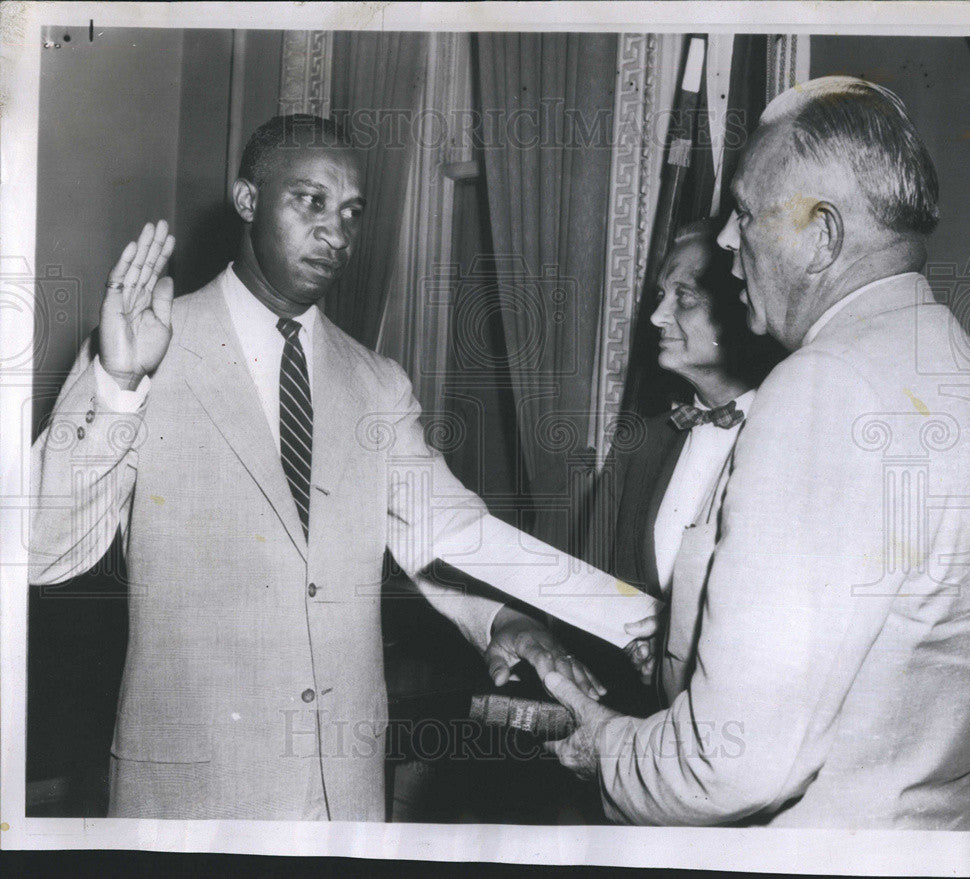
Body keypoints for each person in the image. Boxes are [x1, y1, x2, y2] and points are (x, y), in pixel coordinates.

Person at [29, 114, 650, 820]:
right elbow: (45, 550)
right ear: (247, 200)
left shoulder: (377, 380)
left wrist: (541, 615)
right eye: (311, 201)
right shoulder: (141, 346)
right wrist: (116, 384)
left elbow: (448, 527)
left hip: (343, 800)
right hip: (192, 796)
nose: (337, 231)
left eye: (352, 212)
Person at [543, 77, 970, 829]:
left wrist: (604, 746)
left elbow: (732, 759)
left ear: (824, 235)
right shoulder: (956, 362)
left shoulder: (823, 387)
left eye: (744, 214)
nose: (723, 240)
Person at [597, 219, 783, 704]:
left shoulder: (789, 437)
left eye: (683, 297)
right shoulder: (641, 440)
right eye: (661, 294)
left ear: (739, 309)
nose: (657, 316)